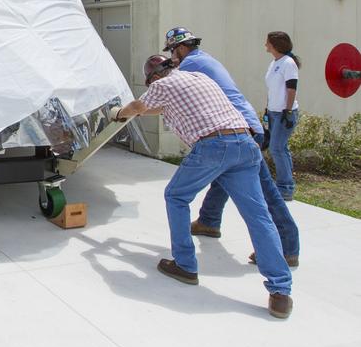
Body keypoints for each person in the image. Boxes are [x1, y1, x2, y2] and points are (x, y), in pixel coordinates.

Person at [112, 55, 293, 318]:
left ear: (153, 78)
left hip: (213, 145)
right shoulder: (198, 78)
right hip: (244, 143)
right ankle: (280, 292)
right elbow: (157, 108)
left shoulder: (162, 86)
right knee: (258, 216)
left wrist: (119, 113)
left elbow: (140, 105)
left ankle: (185, 265)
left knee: (176, 196)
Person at [163, 28, 300, 268]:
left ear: (182, 48)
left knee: (265, 192)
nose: (173, 58)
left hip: (239, 129)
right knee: (223, 175)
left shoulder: (189, 66)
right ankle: (209, 220)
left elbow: (167, 91)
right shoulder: (203, 59)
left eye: (173, 52)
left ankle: (287, 247)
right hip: (241, 126)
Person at [265, 31, 300, 200]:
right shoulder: (274, 63)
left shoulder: (288, 63)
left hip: (284, 113)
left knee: (276, 148)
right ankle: (285, 185)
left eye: (268, 42)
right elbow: (273, 88)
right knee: (280, 148)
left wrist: (288, 111)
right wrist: (267, 108)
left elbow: (291, 88)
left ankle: (285, 188)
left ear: (275, 45)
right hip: (273, 112)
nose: (265, 45)